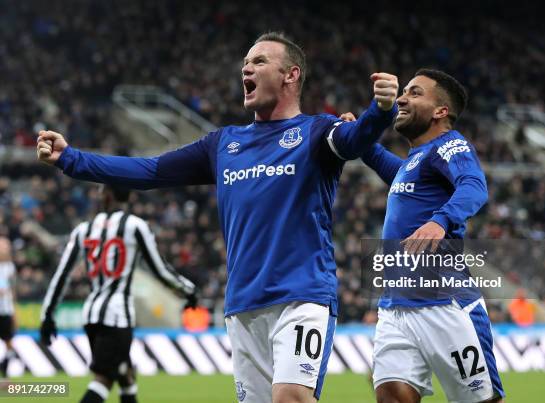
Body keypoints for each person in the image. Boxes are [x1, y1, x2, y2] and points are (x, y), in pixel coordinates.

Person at [36, 32, 398, 403]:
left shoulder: (317, 132)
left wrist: (381, 110)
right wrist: (71, 158)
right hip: (243, 305)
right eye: (245, 63)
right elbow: (148, 171)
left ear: (290, 75)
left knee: (291, 397)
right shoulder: (223, 144)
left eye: (258, 61)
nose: (246, 68)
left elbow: (355, 138)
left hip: (301, 296)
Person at [352, 69, 504, 402]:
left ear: (440, 111)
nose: (403, 98)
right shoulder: (416, 161)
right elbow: (386, 166)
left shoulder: (450, 145)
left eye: (415, 93)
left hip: (444, 304)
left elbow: (474, 186)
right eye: (404, 92)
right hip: (395, 307)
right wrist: (358, 134)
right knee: (392, 394)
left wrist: (441, 220)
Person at [40, 185, 198, 403]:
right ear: (129, 195)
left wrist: (47, 315)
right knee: (103, 380)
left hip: (92, 315)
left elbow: (61, 276)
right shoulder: (135, 226)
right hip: (117, 316)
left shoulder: (83, 229)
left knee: (125, 374)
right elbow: (159, 269)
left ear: (107, 194)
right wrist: (188, 291)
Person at [0, 237, 17, 379]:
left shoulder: (9, 267)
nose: (5, 249)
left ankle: (4, 368)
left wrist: (14, 312)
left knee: (9, 342)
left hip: (5, 311)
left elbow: (12, 291)